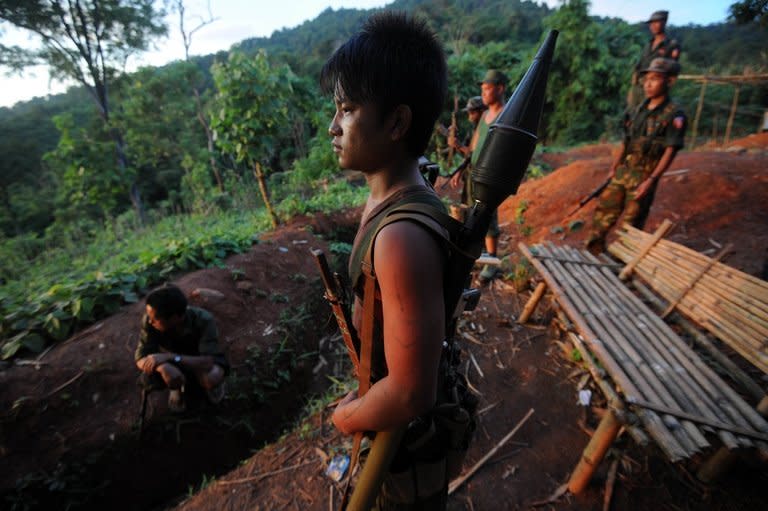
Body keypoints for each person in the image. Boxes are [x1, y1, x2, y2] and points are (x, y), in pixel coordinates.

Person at [321, 12, 473, 510]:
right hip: (391, 423)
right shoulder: (392, 196)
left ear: (396, 122)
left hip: (404, 443)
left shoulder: (399, 238)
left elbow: (410, 392)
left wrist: (350, 417)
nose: (333, 127)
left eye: (347, 109)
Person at [586, 57, 686, 255]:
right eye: (646, 79)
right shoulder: (636, 110)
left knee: (632, 222)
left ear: (669, 81)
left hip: (644, 175)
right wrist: (613, 168)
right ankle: (593, 252)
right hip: (623, 171)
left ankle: (620, 262)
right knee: (605, 211)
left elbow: (670, 150)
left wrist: (651, 181)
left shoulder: (674, 114)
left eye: (655, 78)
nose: (648, 84)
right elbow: (626, 142)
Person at [135, 284, 229, 413]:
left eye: (155, 319)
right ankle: (177, 387)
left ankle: (210, 387)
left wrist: (171, 357)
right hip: (170, 359)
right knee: (156, 377)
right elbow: (141, 357)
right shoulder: (149, 321)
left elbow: (207, 361)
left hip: (198, 358)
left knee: (211, 378)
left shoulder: (204, 320)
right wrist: (163, 367)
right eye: (149, 317)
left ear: (174, 318)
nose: (151, 322)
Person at [452, 70, 507, 283]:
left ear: (500, 88)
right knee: (475, 213)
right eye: (482, 89)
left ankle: (492, 262)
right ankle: (478, 255)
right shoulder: (485, 116)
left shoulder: (507, 114)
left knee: (488, 215)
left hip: (492, 175)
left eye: (487, 88)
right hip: (475, 172)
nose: (483, 93)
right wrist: (459, 168)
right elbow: (474, 148)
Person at [628, 10, 681, 109]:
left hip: (655, 88)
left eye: (656, 22)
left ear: (664, 23)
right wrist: (635, 77)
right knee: (633, 113)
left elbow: (675, 68)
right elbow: (641, 62)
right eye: (651, 23)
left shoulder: (671, 45)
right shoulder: (649, 44)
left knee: (650, 115)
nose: (653, 26)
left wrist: (659, 64)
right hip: (639, 85)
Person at [447, 96, 486, 202]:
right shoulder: (473, 130)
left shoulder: (487, 130)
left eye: (472, 113)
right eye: (469, 113)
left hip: (481, 179)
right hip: (470, 177)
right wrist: (459, 171)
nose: (469, 117)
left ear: (482, 111)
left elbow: (479, 154)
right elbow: (467, 154)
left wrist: (459, 145)